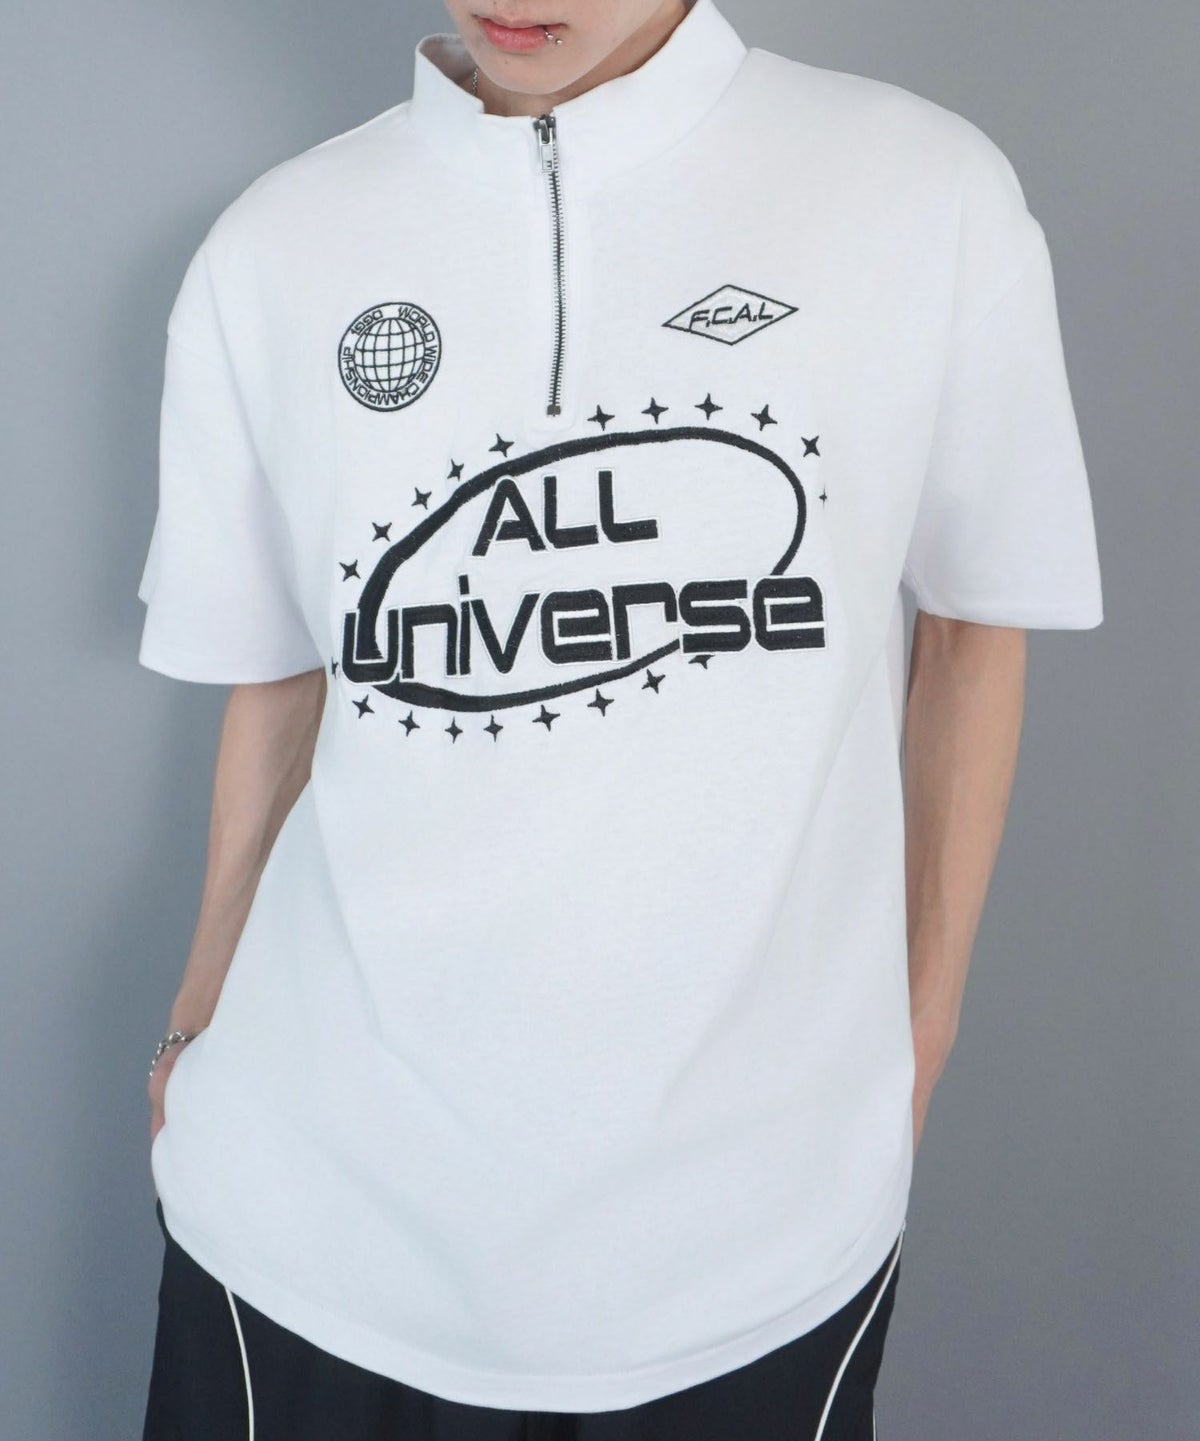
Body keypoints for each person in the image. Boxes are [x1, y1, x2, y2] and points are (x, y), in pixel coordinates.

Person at [137, 0, 1104, 1436]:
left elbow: (973, 629)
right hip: (301, 1230)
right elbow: (282, 674)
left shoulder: (923, 191)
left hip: (751, 1252)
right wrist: (196, 1021)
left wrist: (920, 1027)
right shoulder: (274, 247)